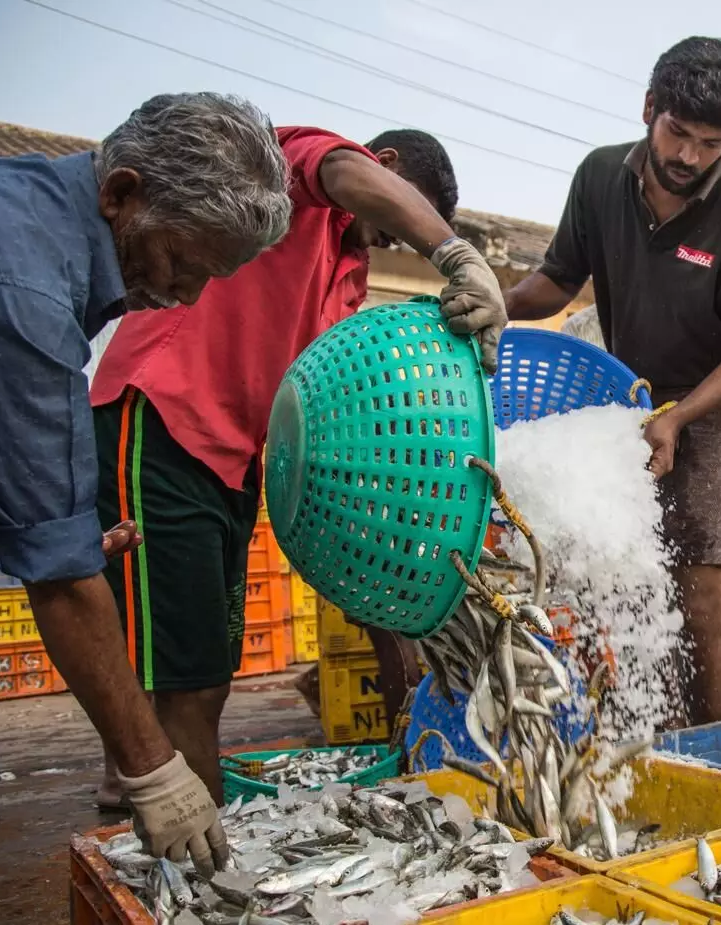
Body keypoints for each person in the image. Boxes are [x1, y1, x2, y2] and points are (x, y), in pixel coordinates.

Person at [0, 91, 294, 916]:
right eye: (178, 264)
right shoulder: (21, 288)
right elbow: (59, 578)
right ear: (120, 194)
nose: (185, 297)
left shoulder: (18, 206)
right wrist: (153, 770)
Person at [87, 125, 508, 807]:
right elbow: (343, 169)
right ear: (387, 166)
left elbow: (326, 402)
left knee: (206, 672)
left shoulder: (346, 279)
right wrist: (455, 254)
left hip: (231, 459)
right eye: (406, 214)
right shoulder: (297, 176)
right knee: (185, 679)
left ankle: (158, 806)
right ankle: (170, 838)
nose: (399, 239)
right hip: (161, 414)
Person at [503, 36, 721, 725]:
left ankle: (717, 755)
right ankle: (643, 740)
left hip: (711, 409)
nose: (688, 156)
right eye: (677, 132)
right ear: (649, 107)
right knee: (619, 587)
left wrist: (679, 419)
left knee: (698, 604)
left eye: (710, 143)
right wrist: (494, 304)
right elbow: (559, 281)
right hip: (619, 405)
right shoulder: (600, 177)